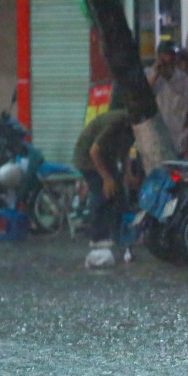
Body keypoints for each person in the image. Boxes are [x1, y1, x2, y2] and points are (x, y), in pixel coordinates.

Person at [72, 109, 135, 268]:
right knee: (101, 192)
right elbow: (94, 151)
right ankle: (97, 237)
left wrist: (127, 174)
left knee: (117, 192)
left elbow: (125, 153)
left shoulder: (132, 131)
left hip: (107, 158)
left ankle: (116, 233)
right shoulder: (116, 124)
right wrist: (106, 178)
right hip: (87, 157)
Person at [145, 41, 188, 156]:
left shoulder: (183, 79)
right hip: (156, 136)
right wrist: (156, 75)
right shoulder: (148, 75)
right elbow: (142, 97)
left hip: (178, 135)